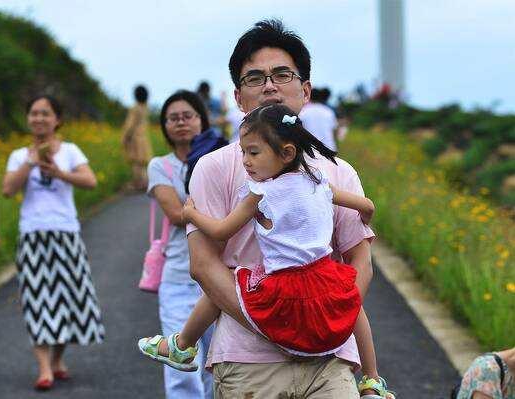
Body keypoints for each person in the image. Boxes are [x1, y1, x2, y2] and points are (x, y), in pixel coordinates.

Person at [163, 19, 389, 398]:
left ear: (305, 90)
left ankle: (371, 379)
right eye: (255, 78)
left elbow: (360, 261)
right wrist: (278, 323)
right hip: (246, 362)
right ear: (237, 97)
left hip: (329, 357)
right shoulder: (214, 167)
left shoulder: (337, 171)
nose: (269, 85)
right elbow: (203, 264)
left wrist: (323, 322)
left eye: (282, 74)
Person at [139, 103, 377, 363]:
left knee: (225, 284)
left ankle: (182, 344)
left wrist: (191, 215)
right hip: (324, 275)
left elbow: (221, 231)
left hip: (283, 284)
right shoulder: (318, 180)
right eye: (243, 152)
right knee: (352, 305)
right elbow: (366, 206)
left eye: (253, 153)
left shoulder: (260, 192)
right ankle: (372, 378)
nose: (245, 161)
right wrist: (366, 216)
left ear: (286, 153)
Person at [2, 95, 105, 391]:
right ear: (28, 119)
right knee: (37, 301)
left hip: (65, 232)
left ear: (57, 119)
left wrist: (58, 172)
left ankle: (58, 360)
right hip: (33, 234)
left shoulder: (71, 150)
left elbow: (91, 181)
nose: (39, 119)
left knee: (71, 299)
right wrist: (30, 163)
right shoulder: (19, 155)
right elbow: (8, 189)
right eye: (34, 113)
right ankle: (44, 368)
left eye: (45, 113)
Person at [145, 90, 214, 398]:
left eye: (188, 116)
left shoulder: (218, 158)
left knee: (218, 361)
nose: (181, 123)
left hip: (217, 273)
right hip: (178, 274)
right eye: (173, 118)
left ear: (202, 119)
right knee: (179, 363)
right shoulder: (160, 165)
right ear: (164, 126)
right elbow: (174, 214)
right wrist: (214, 214)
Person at [122, 84, 152, 190]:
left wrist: (125, 138)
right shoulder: (145, 107)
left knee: (136, 162)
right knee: (142, 162)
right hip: (143, 137)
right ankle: (145, 182)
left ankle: (138, 184)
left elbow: (130, 125)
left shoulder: (135, 108)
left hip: (134, 138)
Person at [299, 87, 339, 151]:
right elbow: (334, 131)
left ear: (309, 96)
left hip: (310, 150)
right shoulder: (328, 111)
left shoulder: (303, 111)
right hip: (329, 149)